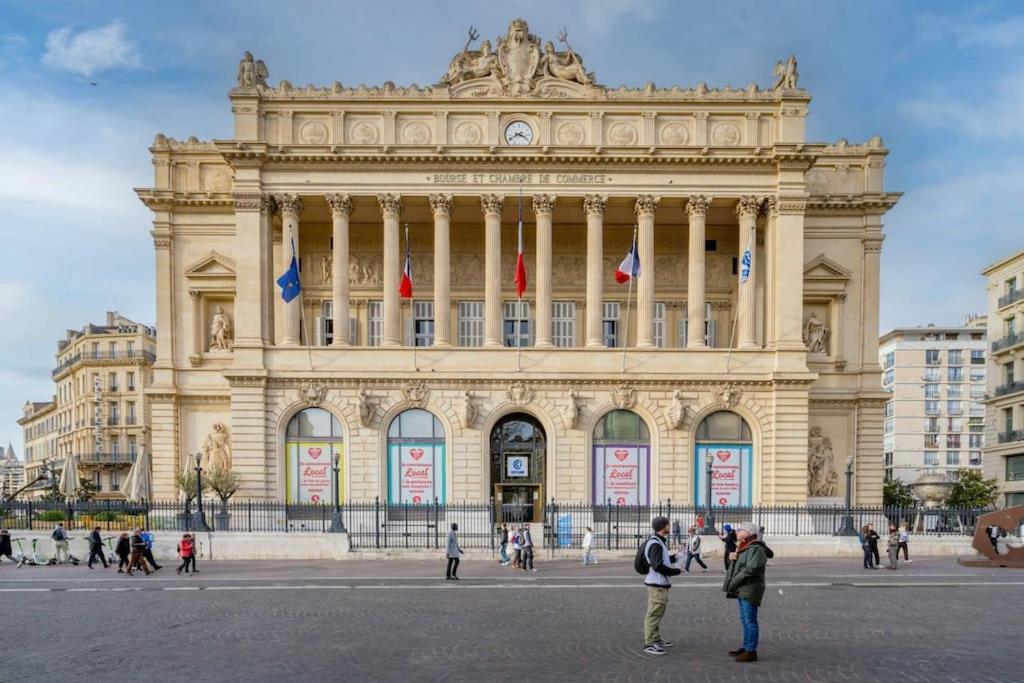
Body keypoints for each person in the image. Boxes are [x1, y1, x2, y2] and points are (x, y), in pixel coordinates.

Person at [723, 521, 774, 663]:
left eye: (740, 529)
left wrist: (734, 582)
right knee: (745, 619)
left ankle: (751, 651)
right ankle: (746, 647)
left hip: (750, 588)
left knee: (749, 620)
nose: (737, 531)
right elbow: (733, 567)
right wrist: (731, 558)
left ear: (748, 533)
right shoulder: (743, 546)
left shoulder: (756, 548)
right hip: (743, 587)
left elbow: (751, 569)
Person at [641, 516, 681, 656]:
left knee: (658, 612)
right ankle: (649, 643)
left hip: (660, 583)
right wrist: (676, 571)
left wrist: (674, 558)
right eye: (668, 524)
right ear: (664, 526)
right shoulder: (655, 543)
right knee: (654, 613)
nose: (670, 526)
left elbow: (659, 560)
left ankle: (656, 638)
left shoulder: (658, 542)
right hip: (657, 584)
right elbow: (657, 565)